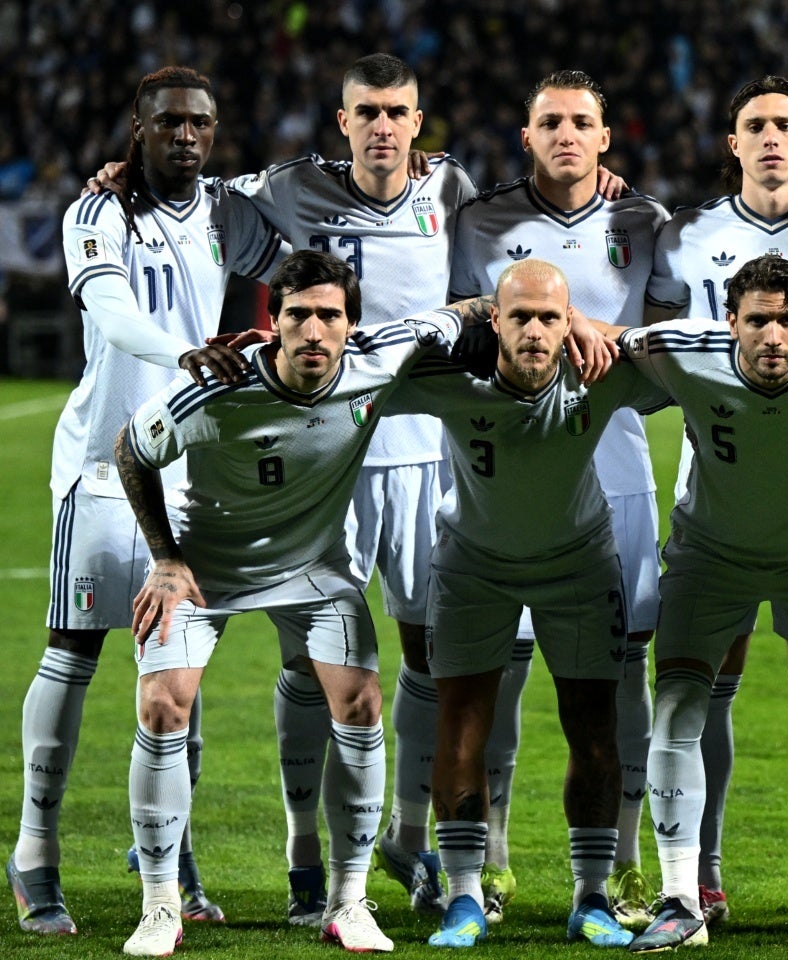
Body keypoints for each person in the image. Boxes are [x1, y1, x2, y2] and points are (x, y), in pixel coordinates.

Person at [112, 249, 474, 956]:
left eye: (329, 316)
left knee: (361, 702)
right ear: (272, 322)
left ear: (351, 325)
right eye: (297, 314)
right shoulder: (217, 386)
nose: (313, 330)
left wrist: (569, 319)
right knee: (162, 705)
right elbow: (132, 448)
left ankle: (348, 900)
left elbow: (467, 312)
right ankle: (159, 906)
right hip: (208, 568)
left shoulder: (376, 361)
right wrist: (166, 558)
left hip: (312, 568)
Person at [7, 65, 282, 936]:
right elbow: (113, 313)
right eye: (168, 123)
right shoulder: (98, 211)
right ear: (139, 126)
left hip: (188, 473)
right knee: (74, 652)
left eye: (199, 123)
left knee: (177, 676)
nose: (185, 136)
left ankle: (172, 852)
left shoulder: (229, 211)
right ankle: (34, 853)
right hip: (101, 466)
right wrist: (186, 352)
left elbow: (309, 229)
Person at [644, 75, 788, 926]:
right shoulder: (685, 234)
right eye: (756, 124)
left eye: (786, 123)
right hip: (714, 491)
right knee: (705, 688)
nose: (772, 137)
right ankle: (696, 882)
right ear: (733, 141)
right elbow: (644, 338)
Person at [618, 255, 788, 953]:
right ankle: (682, 899)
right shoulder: (680, 350)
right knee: (678, 709)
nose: (772, 336)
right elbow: (602, 337)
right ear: (730, 323)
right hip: (711, 560)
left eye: (787, 321)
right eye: (757, 322)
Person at [447, 70, 670, 929]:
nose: (566, 134)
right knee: (499, 671)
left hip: (617, 467)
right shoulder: (480, 221)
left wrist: (598, 328)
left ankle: (625, 864)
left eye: (582, 122)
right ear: (527, 136)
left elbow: (670, 341)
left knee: (623, 673)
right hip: (508, 469)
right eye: (551, 122)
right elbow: (454, 319)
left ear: (605, 138)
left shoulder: (645, 221)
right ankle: (493, 860)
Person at [398, 259, 670, 949]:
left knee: (596, 729)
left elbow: (688, 353)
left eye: (551, 317)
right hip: (472, 568)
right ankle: (464, 895)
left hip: (578, 567)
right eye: (520, 316)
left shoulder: (601, 374)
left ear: (569, 322)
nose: (535, 332)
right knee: (461, 728)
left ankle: (592, 897)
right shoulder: (450, 378)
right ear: (495, 320)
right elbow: (358, 359)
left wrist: (602, 329)